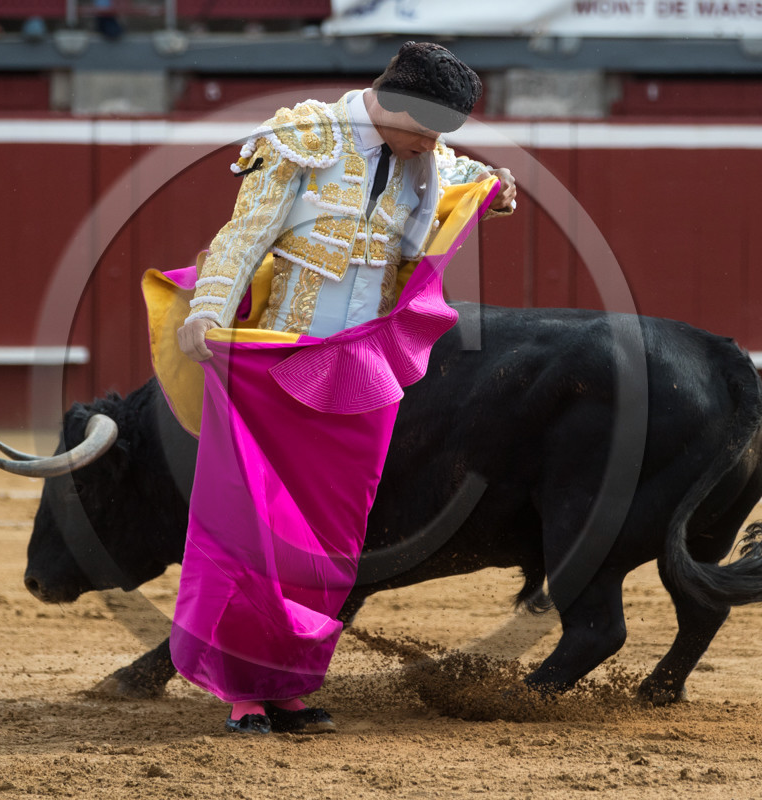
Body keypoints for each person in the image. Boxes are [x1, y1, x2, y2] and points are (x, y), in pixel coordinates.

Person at [168, 41, 516, 735]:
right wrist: (207, 310)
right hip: (278, 363)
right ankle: (241, 690)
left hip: (364, 373)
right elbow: (244, 236)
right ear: (391, 103)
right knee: (252, 532)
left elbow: (468, 193)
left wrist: (496, 192)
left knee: (330, 544)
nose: (432, 145)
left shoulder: (430, 158)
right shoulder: (301, 136)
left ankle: (290, 685)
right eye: (425, 129)